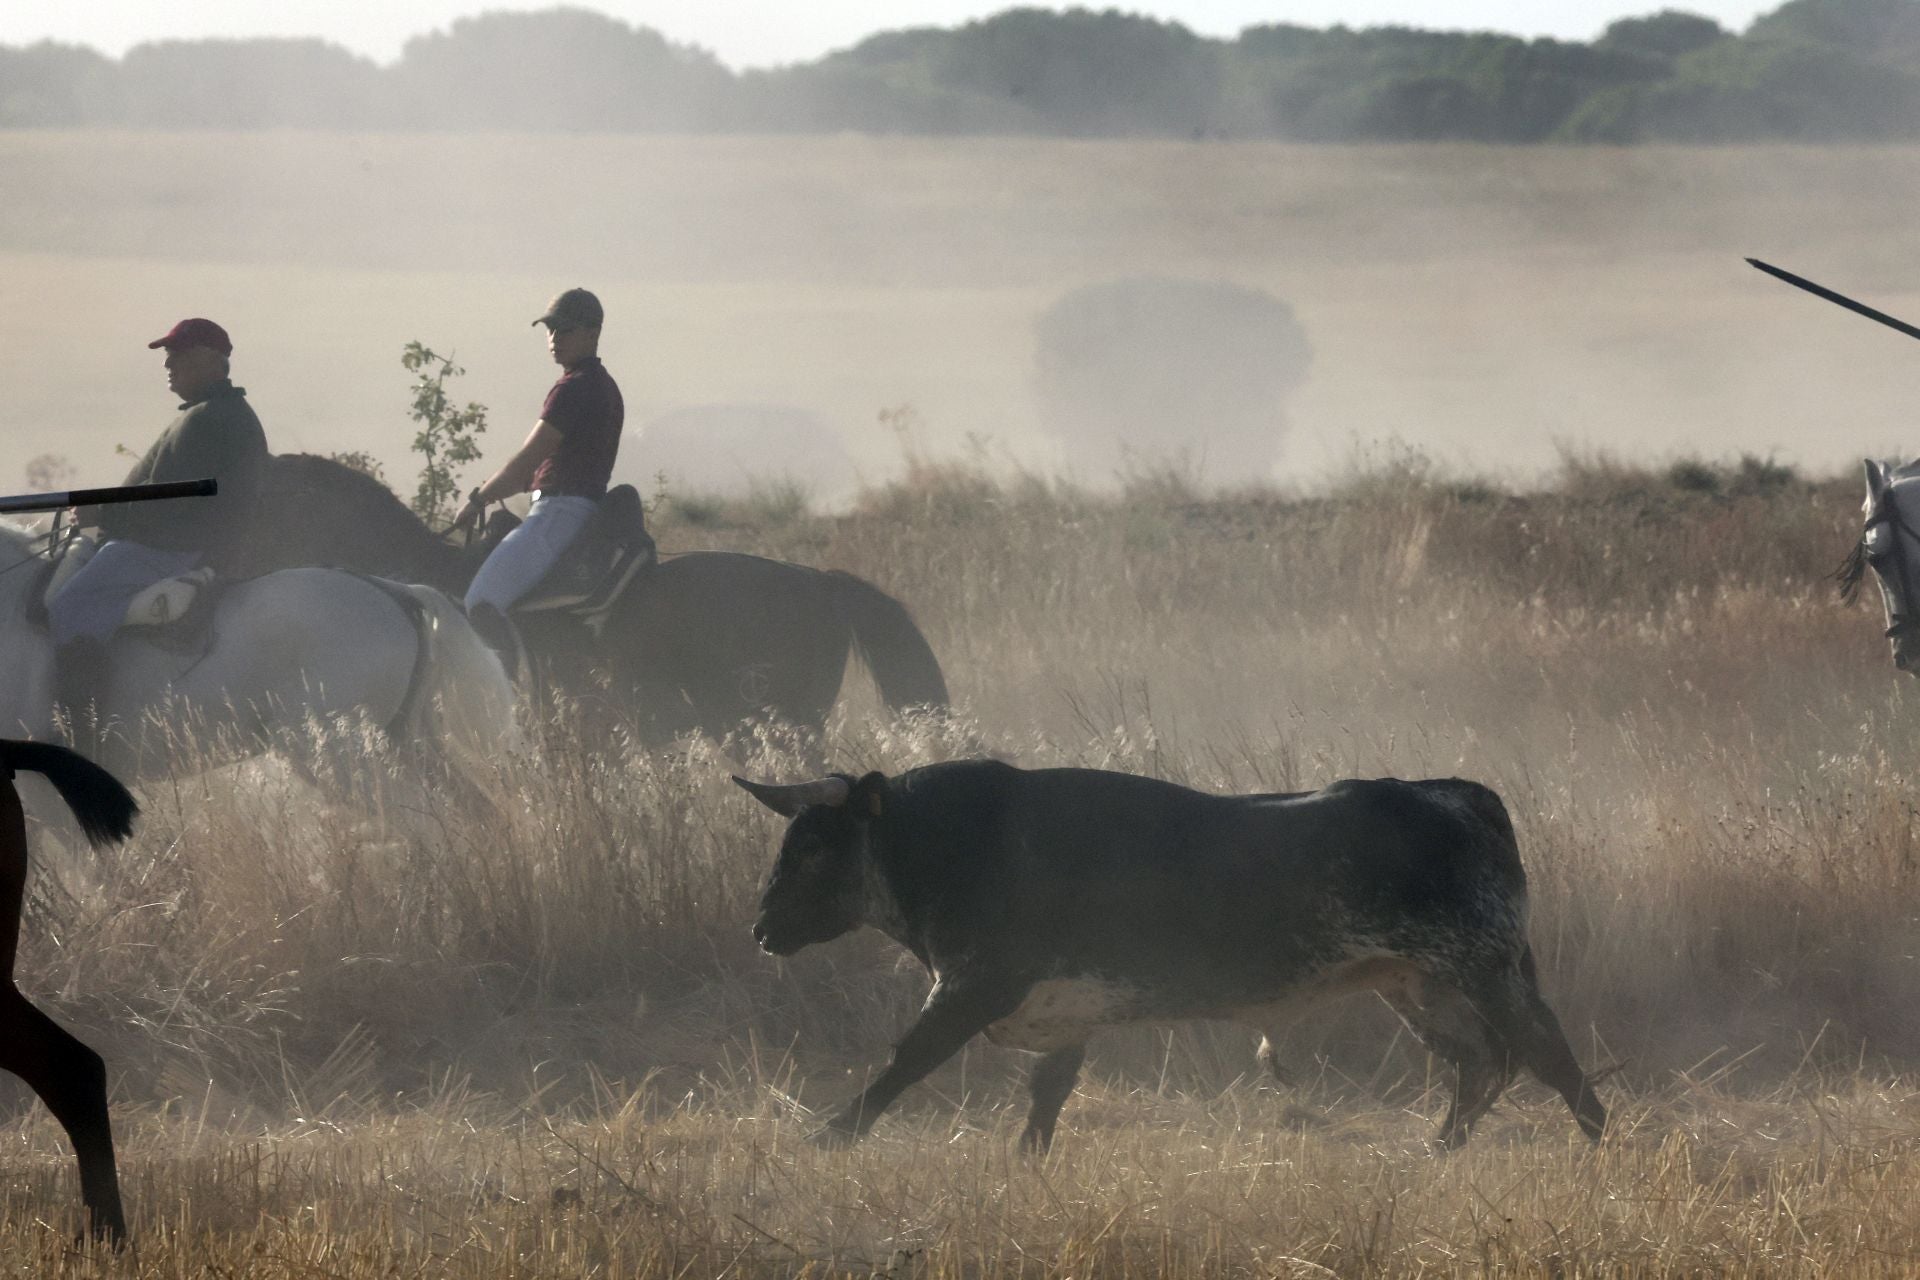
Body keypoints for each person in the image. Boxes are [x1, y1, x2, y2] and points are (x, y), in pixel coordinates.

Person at [50, 318, 269, 740]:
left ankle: (80, 733)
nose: (168, 364)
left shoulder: (210, 418)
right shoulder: (206, 413)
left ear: (211, 360)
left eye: (178, 354)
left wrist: (103, 517)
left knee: (70, 604)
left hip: (172, 549)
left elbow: (170, 504)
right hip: (167, 541)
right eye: (168, 355)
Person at [453, 288, 624, 675]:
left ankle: (511, 695)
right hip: (577, 510)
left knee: (480, 602)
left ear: (593, 333)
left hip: (558, 513)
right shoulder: (603, 385)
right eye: (550, 330)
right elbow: (528, 474)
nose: (554, 339)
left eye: (565, 330)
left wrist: (478, 499)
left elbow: (524, 465)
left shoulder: (573, 388)